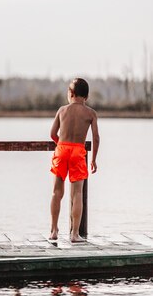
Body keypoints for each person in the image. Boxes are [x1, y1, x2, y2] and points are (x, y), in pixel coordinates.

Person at [49, 77, 100, 242]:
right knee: (77, 192)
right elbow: (96, 138)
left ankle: (53, 231)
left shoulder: (62, 110)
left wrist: (61, 146)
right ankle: (74, 234)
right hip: (78, 151)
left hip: (62, 149)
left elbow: (52, 134)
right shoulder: (90, 113)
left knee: (57, 192)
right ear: (87, 96)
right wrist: (93, 159)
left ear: (70, 93)